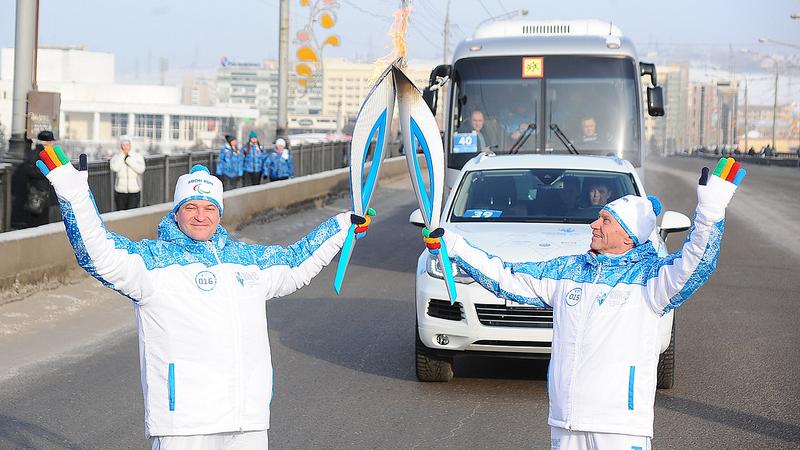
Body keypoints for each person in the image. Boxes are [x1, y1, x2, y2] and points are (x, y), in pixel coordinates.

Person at [35, 146, 372, 449]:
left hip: (247, 419)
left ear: (219, 213)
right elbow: (99, 254)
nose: (200, 215)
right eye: (191, 207)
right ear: (177, 212)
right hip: (186, 423)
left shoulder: (246, 259)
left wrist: (342, 227)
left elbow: (296, 262)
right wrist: (75, 195)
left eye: (209, 207)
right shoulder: (152, 262)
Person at [422, 159, 746, 449]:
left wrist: (710, 213)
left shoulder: (651, 280)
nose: (594, 224)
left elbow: (697, 263)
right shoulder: (569, 271)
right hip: (566, 423)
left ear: (628, 236)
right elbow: (504, 276)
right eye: (598, 217)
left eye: (605, 220)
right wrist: (452, 245)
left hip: (620, 427)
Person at [10, 130, 57, 229]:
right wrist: (48, 173)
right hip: (39, 193)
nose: (53, 143)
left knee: (38, 223)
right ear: (47, 142)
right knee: (39, 223)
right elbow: (32, 171)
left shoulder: (34, 153)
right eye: (52, 141)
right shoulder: (40, 155)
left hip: (37, 193)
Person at [109, 135, 146, 210]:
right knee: (121, 214)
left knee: (132, 213)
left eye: (127, 145)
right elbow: (115, 168)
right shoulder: (117, 157)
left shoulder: (137, 156)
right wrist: (122, 156)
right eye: (123, 145)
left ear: (131, 145)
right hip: (120, 191)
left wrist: (128, 160)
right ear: (120, 146)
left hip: (134, 191)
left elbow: (141, 169)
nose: (126, 147)